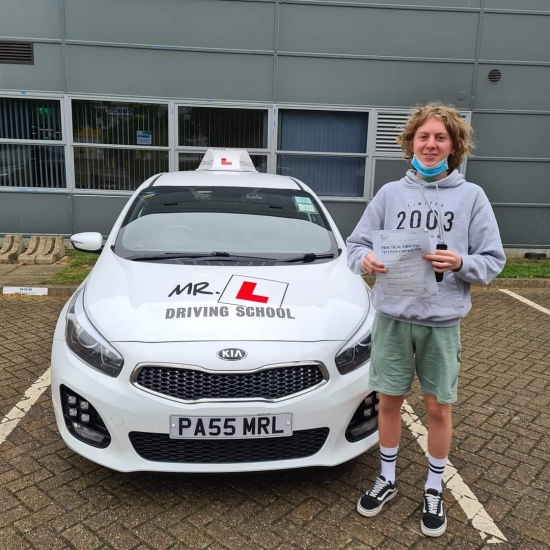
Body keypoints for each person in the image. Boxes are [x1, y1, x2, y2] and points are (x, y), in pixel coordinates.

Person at [346, 102, 505, 537]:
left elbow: (493, 262)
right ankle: (388, 479)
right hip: (393, 316)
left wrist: (459, 262)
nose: (430, 144)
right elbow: (354, 245)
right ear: (410, 143)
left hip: (442, 321)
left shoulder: (471, 197)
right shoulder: (389, 195)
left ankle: (434, 486)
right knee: (390, 402)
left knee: (438, 407)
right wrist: (368, 261)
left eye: (440, 137)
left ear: (454, 146)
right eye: (423, 137)